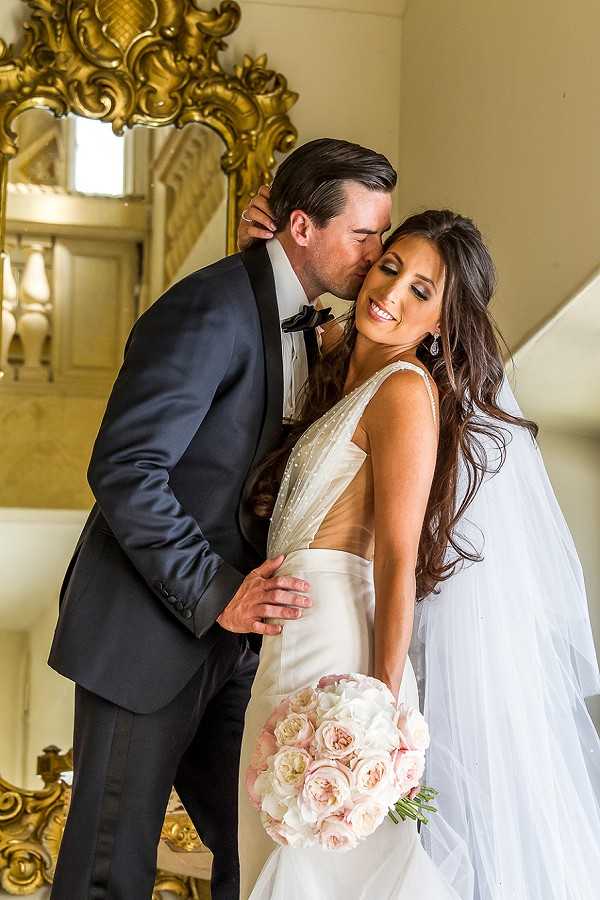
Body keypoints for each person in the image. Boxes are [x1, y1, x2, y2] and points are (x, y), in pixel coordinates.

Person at [47, 138, 396, 900]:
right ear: (302, 228)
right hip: (150, 627)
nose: (377, 255)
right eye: (364, 235)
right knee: (111, 869)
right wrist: (218, 594)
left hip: (240, 649)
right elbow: (124, 470)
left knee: (261, 851)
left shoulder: (313, 322)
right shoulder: (210, 305)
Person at [236, 199, 600, 899]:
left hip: (338, 656)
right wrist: (268, 252)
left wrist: (377, 707)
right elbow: (295, 313)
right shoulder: (344, 365)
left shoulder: (404, 392)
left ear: (440, 322)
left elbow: (398, 559)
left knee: (321, 871)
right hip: (290, 643)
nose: (391, 293)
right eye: (391, 268)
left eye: (420, 292)